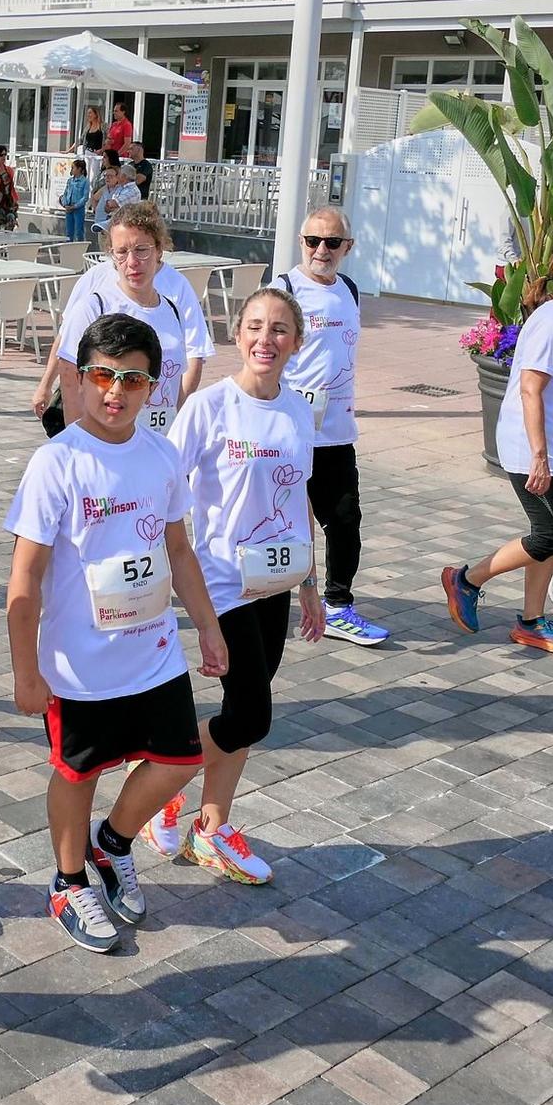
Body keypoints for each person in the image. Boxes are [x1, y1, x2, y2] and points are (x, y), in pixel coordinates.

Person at [5, 312, 228, 952]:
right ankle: (70, 880)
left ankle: (114, 843)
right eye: (103, 375)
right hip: (78, 663)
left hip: (153, 651)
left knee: (180, 759)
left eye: (133, 378)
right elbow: (24, 583)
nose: (115, 390)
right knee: (79, 774)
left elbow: (179, 552)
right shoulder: (57, 463)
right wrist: (26, 671)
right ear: (79, 378)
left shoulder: (160, 455)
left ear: (154, 386)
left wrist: (207, 630)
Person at [152, 288, 325, 880]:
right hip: (221, 582)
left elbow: (297, 494)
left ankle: (211, 824)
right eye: (254, 326)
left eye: (280, 329)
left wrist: (309, 583)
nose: (265, 339)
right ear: (237, 334)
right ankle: (159, 782)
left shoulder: (299, 409)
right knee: (252, 714)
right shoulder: (207, 406)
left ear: (296, 342)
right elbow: (165, 489)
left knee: (242, 709)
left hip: (275, 582)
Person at [441, 243, 553, 656]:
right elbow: (531, 390)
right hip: (530, 444)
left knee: (552, 536)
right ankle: (467, 580)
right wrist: (539, 455)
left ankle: (532, 621)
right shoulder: (549, 322)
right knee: (548, 535)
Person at [273, 208, 389, 647]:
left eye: (332, 243)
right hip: (290, 432)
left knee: (344, 520)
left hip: (337, 432)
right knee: (276, 521)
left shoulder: (350, 291)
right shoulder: (284, 289)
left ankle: (338, 604)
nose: (321, 250)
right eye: (312, 241)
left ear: (348, 248)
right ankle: (250, 594)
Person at [35, 202, 209, 436]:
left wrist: (174, 429)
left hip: (157, 441)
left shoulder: (171, 309)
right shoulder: (95, 306)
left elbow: (177, 377)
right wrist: (81, 441)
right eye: (122, 252)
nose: (132, 262)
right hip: (106, 440)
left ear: (158, 251)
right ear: (112, 255)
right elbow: (69, 374)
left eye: (141, 250)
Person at [60, 159, 90, 243]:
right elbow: (65, 193)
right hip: (69, 208)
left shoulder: (85, 181)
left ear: (79, 169)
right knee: (69, 232)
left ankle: (79, 248)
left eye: (73, 168)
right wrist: (65, 204)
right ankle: (69, 248)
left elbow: (85, 197)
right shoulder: (70, 181)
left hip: (78, 209)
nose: (72, 170)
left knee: (79, 231)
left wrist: (75, 206)